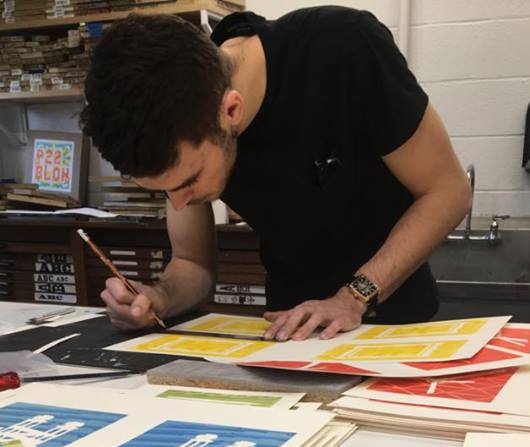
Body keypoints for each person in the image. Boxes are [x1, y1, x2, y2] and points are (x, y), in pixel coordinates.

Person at [81, 6, 471, 341]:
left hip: (395, 324)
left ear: (231, 111)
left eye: (188, 182)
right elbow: (192, 263)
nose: (180, 202)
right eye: (165, 193)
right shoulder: (181, 114)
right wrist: (159, 298)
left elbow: (448, 191)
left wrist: (351, 298)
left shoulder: (342, 48)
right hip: (288, 333)